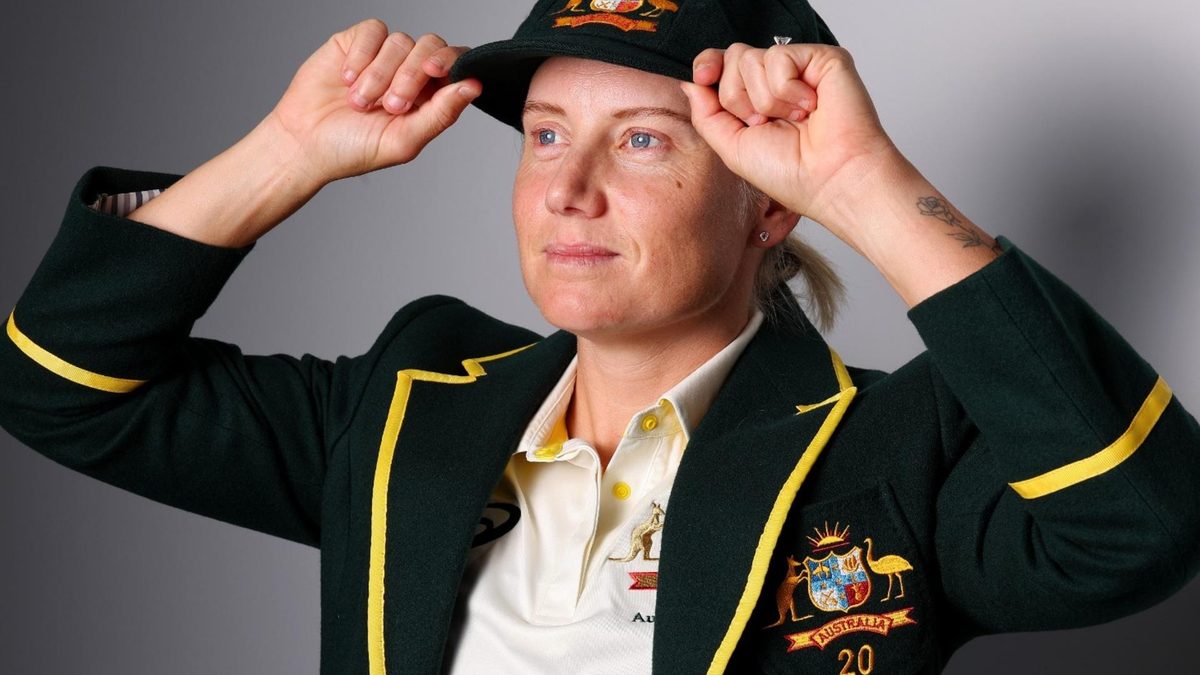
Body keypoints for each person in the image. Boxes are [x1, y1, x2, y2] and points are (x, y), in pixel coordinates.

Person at [1, 0, 1197, 673]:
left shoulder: (892, 447)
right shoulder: (408, 399)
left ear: (767, 204)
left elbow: (1141, 524)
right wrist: (282, 155)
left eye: (640, 139)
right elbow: (63, 385)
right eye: (543, 136)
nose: (567, 191)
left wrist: (864, 186)